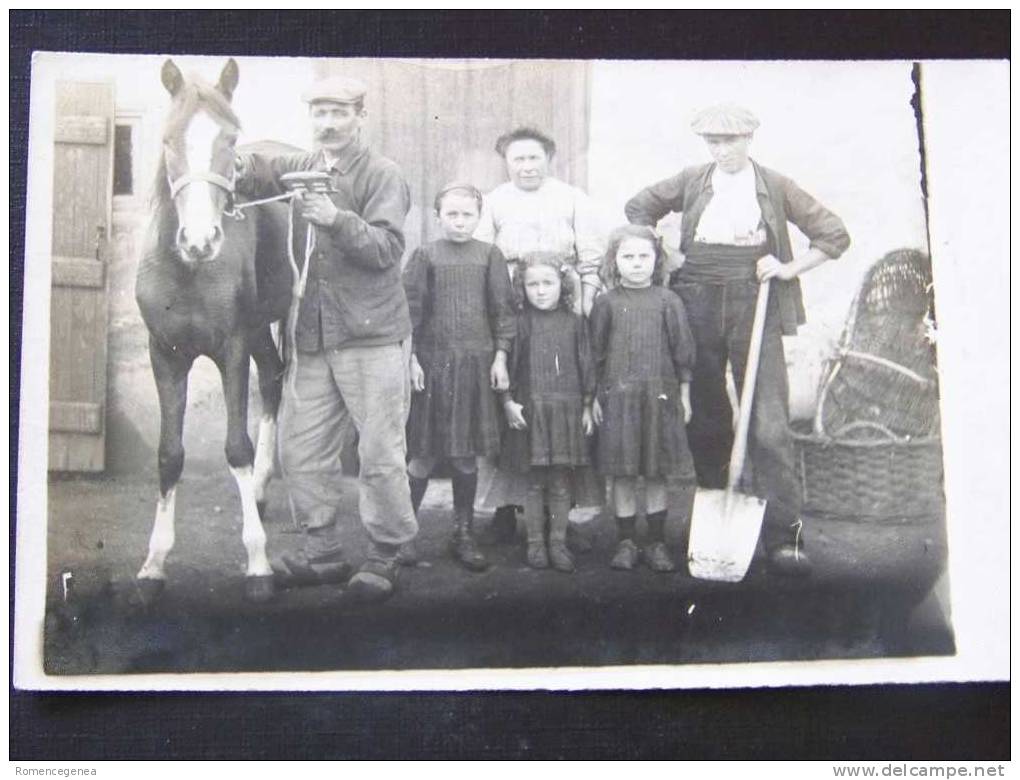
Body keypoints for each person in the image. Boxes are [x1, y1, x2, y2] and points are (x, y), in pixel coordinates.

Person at [624, 103, 851, 576]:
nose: (720, 150)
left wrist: (787, 268)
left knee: (768, 422)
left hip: (757, 295)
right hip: (696, 295)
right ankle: (714, 523)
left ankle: (784, 536)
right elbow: (639, 206)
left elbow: (833, 235)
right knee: (706, 417)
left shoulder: (775, 185)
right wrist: (665, 249)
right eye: (712, 141)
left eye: (729, 140)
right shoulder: (692, 178)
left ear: (750, 139)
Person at [234, 75, 416, 602]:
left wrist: (337, 219)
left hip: (371, 336)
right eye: (319, 114)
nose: (329, 123)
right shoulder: (303, 167)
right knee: (302, 448)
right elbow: (260, 165)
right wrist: (233, 161)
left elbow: (386, 250)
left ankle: (387, 554)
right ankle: (323, 553)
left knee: (380, 451)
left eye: (339, 113)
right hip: (311, 337)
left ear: (361, 116)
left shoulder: (383, 174)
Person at [474, 126, 607, 545]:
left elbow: (590, 259)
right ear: (506, 162)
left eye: (534, 158)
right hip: (511, 301)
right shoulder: (493, 202)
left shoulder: (571, 198)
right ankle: (504, 508)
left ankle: (560, 517)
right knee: (512, 405)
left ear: (549, 158)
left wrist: (582, 308)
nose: (526, 166)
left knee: (560, 406)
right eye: (518, 159)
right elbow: (482, 258)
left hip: (560, 302)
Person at [401, 183, 516, 572]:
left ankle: (462, 533)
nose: (460, 221)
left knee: (465, 457)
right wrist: (411, 360)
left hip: (475, 366)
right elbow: (410, 313)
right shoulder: (424, 255)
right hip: (432, 367)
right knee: (421, 456)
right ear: (438, 217)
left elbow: (503, 310)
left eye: (467, 214)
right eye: (452, 214)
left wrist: (500, 357)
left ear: (479, 216)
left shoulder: (490, 255)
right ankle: (403, 533)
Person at [589, 225, 696, 572]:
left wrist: (684, 395)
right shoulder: (606, 303)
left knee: (655, 472)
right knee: (621, 473)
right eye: (627, 257)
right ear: (614, 261)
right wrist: (592, 399)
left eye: (644, 256)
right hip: (617, 399)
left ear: (657, 260)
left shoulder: (669, 301)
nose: (636, 264)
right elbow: (595, 355)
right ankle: (625, 541)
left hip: (659, 398)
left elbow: (683, 352)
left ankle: (656, 542)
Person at [499, 253, 599, 573]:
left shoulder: (575, 322)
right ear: (522, 288)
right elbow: (508, 368)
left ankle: (557, 541)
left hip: (566, 411)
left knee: (560, 482)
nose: (540, 291)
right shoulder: (520, 323)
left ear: (563, 284)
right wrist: (508, 403)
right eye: (532, 284)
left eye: (548, 283)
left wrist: (586, 406)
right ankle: (534, 543)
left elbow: (586, 365)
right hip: (531, 411)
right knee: (533, 483)